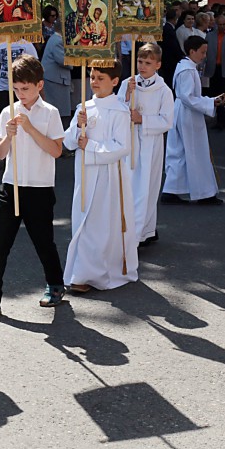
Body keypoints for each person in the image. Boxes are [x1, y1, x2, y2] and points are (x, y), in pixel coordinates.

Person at [0, 56, 66, 319]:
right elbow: (0, 154)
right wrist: (8, 136)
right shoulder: (8, 112)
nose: (20, 94)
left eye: (25, 89)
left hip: (39, 187)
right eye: (16, 89)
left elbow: (56, 150)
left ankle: (55, 284)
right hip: (11, 185)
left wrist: (30, 128)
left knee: (43, 241)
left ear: (39, 85)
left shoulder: (50, 113)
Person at [63, 62, 138, 292]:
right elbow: (67, 141)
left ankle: (99, 272)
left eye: (100, 78)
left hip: (108, 176)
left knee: (102, 224)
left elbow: (122, 147)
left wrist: (92, 145)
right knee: (83, 221)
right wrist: (78, 127)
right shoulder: (83, 107)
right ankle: (81, 272)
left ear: (115, 81)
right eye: (92, 77)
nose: (94, 82)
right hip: (85, 173)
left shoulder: (119, 110)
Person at [117, 43, 174, 245]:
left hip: (151, 143)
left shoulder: (164, 91)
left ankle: (144, 231)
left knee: (147, 187)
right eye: (140, 62)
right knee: (130, 185)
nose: (142, 66)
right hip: (131, 141)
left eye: (148, 63)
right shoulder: (128, 84)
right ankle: (130, 230)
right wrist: (126, 97)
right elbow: (116, 111)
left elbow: (167, 121)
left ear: (157, 65)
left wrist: (142, 119)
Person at [162, 35, 225, 205]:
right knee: (197, 151)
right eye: (202, 52)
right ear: (192, 51)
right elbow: (188, 97)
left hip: (181, 111)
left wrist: (209, 100)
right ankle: (204, 193)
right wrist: (210, 102)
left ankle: (171, 189)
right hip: (188, 114)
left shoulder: (184, 66)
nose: (205, 56)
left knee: (179, 151)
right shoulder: (188, 70)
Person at [0, 37, 39, 121]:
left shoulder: (26, 44)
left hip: (21, 86)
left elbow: (34, 64)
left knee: (22, 115)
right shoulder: (0, 44)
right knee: (0, 116)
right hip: (3, 86)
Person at [40, 5, 72, 125]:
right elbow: (63, 60)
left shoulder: (55, 39)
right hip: (55, 80)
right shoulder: (57, 40)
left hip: (55, 79)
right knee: (56, 111)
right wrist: (76, 61)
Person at [159, 6, 184, 87]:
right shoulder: (169, 30)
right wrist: (181, 57)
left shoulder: (166, 28)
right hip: (169, 61)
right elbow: (173, 46)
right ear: (175, 19)